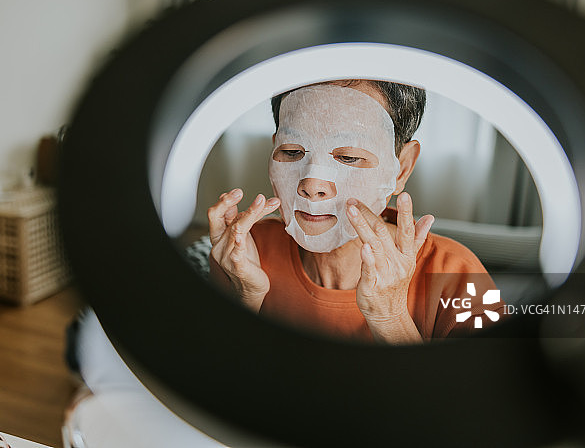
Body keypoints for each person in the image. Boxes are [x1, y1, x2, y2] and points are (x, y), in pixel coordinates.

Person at [207, 79, 505, 344]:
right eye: (292, 152)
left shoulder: (456, 274)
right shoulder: (242, 255)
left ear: (402, 168)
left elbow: (479, 401)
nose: (312, 185)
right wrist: (243, 297)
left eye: (348, 157)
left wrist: (389, 318)